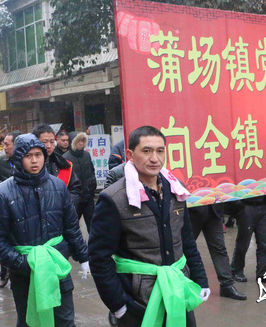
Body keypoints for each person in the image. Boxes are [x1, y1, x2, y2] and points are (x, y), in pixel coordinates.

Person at [89, 126, 210, 326]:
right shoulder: (113, 199)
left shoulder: (176, 190)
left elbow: (186, 240)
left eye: (160, 151)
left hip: (177, 292)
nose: (154, 158)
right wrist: (119, 306)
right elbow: (99, 258)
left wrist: (200, 279)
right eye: (146, 151)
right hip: (139, 302)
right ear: (130, 154)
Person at [0, 133, 90, 327]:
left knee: (65, 320)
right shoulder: (1, 193)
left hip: (56, 265)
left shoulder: (58, 186)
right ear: (18, 158)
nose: (34, 160)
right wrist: (21, 263)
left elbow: (71, 226)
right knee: (29, 321)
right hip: (25, 273)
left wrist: (82, 256)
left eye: (38, 155)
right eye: (28, 155)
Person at [189, 203, 247, 300]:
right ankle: (179, 283)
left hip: (214, 211)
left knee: (219, 249)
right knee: (186, 249)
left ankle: (227, 285)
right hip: (192, 211)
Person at [0, 130, 21, 288]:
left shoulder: (27, 159)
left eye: (7, 144)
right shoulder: (1, 160)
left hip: (24, 207)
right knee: (6, 241)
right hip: (6, 206)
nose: (4, 147)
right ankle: (4, 274)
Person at [231, 195, 266, 284]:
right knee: (243, 242)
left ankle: (263, 273)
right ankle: (236, 270)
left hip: (263, 205)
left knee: (265, 243)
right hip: (246, 206)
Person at [63, 132, 96, 232]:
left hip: (88, 196)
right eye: (78, 141)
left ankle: (94, 246)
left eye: (82, 141)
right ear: (73, 142)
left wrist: (92, 185)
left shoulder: (87, 155)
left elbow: (92, 171)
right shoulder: (65, 158)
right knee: (73, 226)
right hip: (75, 198)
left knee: (93, 224)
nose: (80, 143)